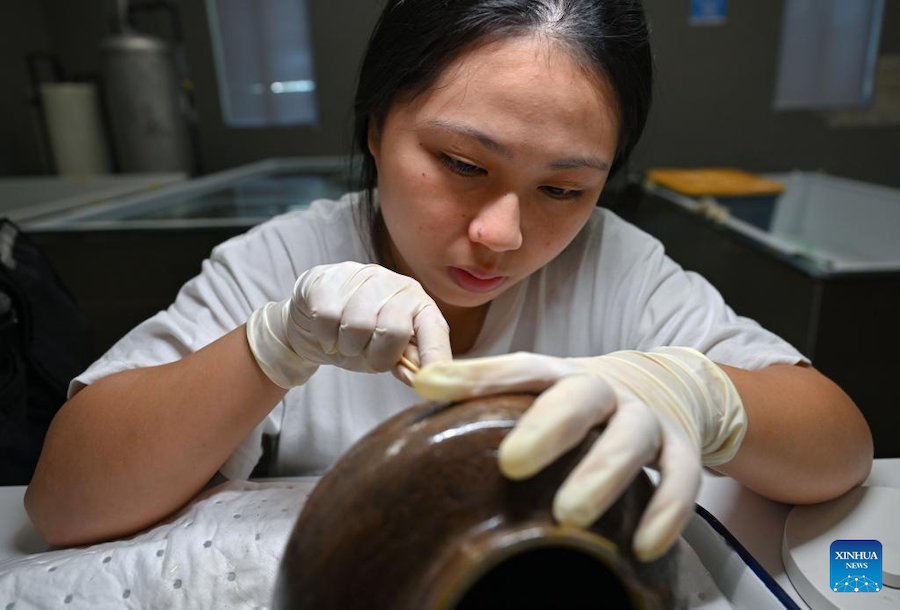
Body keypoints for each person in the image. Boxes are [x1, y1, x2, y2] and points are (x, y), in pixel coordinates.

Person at [26, 0, 871, 561]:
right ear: (375, 124)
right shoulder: (283, 262)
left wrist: (701, 394)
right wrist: (268, 349)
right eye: (463, 163)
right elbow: (62, 504)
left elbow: (839, 447)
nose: (501, 233)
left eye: (563, 189)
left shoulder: (613, 267)